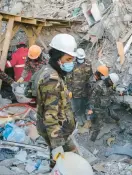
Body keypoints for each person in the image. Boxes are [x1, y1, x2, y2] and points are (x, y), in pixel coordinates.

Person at [34, 34, 78, 164]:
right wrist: (57, 145)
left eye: (72, 59)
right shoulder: (52, 79)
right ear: (57, 58)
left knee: (68, 160)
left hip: (61, 129)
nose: (71, 63)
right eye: (68, 59)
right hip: (57, 132)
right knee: (62, 162)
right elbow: (50, 115)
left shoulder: (52, 71)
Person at [87, 72, 120, 141]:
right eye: (112, 83)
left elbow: (112, 92)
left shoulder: (109, 85)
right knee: (98, 126)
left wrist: (120, 93)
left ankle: (117, 120)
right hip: (98, 108)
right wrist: (91, 109)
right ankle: (92, 140)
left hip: (107, 105)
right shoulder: (99, 86)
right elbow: (92, 98)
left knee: (113, 114)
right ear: (110, 80)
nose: (113, 85)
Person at [67, 48, 92, 126]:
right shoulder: (72, 64)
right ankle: (78, 117)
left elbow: (91, 75)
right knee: (76, 105)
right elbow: (68, 78)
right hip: (76, 91)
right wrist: (69, 90)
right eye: (79, 58)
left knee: (84, 103)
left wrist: (91, 86)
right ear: (76, 57)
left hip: (85, 89)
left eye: (82, 58)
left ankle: (83, 115)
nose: (81, 60)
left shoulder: (88, 63)